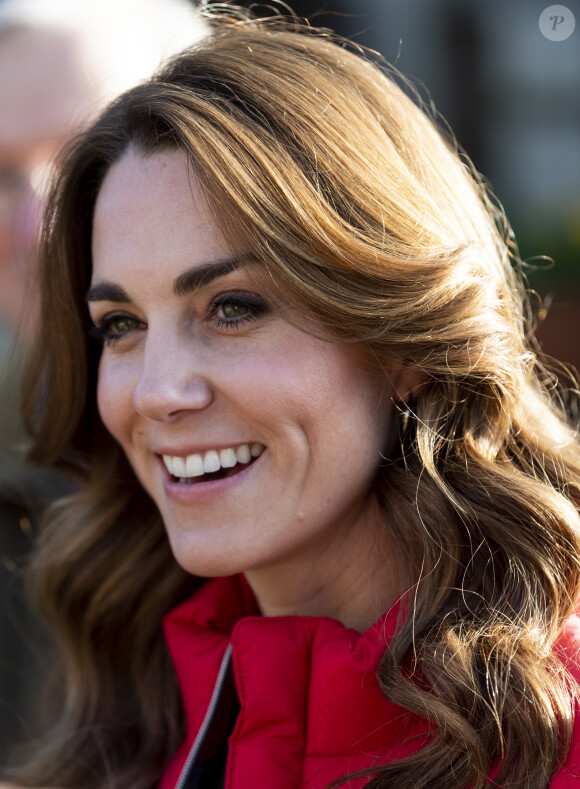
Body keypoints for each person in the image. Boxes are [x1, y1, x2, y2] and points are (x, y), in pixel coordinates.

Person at [5, 4, 580, 788]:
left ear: (404, 341)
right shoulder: (124, 714)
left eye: (232, 307)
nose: (157, 392)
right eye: (122, 324)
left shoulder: (555, 737)